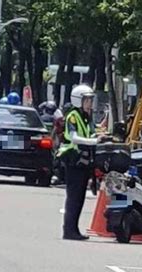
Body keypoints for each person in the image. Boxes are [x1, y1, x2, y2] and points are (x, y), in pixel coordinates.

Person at [58, 84, 103, 240]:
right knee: (74, 197)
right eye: (87, 100)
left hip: (83, 162)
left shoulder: (86, 116)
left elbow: (92, 132)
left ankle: (74, 229)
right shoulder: (72, 116)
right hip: (73, 161)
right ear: (78, 101)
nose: (90, 103)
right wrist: (94, 141)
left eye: (91, 100)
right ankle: (69, 230)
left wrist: (101, 135)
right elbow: (74, 137)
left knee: (80, 198)